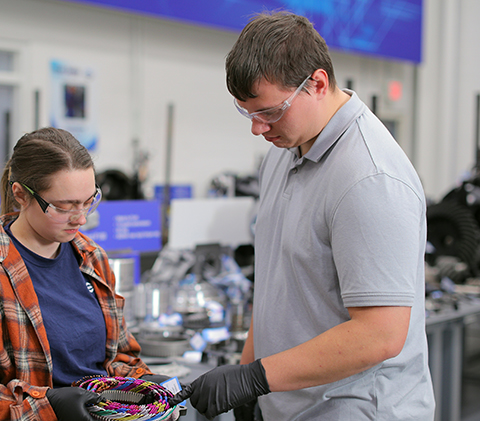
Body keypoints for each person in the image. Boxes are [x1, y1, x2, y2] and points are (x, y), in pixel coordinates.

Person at [178, 11, 436, 420]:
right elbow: (276, 287)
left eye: (270, 111)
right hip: (289, 402)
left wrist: (254, 378)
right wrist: (248, 381)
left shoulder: (369, 178)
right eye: (248, 113)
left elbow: (380, 335)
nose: (258, 129)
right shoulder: (284, 153)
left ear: (316, 83)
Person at [0, 127, 167, 421]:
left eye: (90, 200)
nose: (82, 218)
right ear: (21, 195)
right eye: (64, 206)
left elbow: (118, 358)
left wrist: (147, 387)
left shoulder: (92, 259)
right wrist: (47, 407)